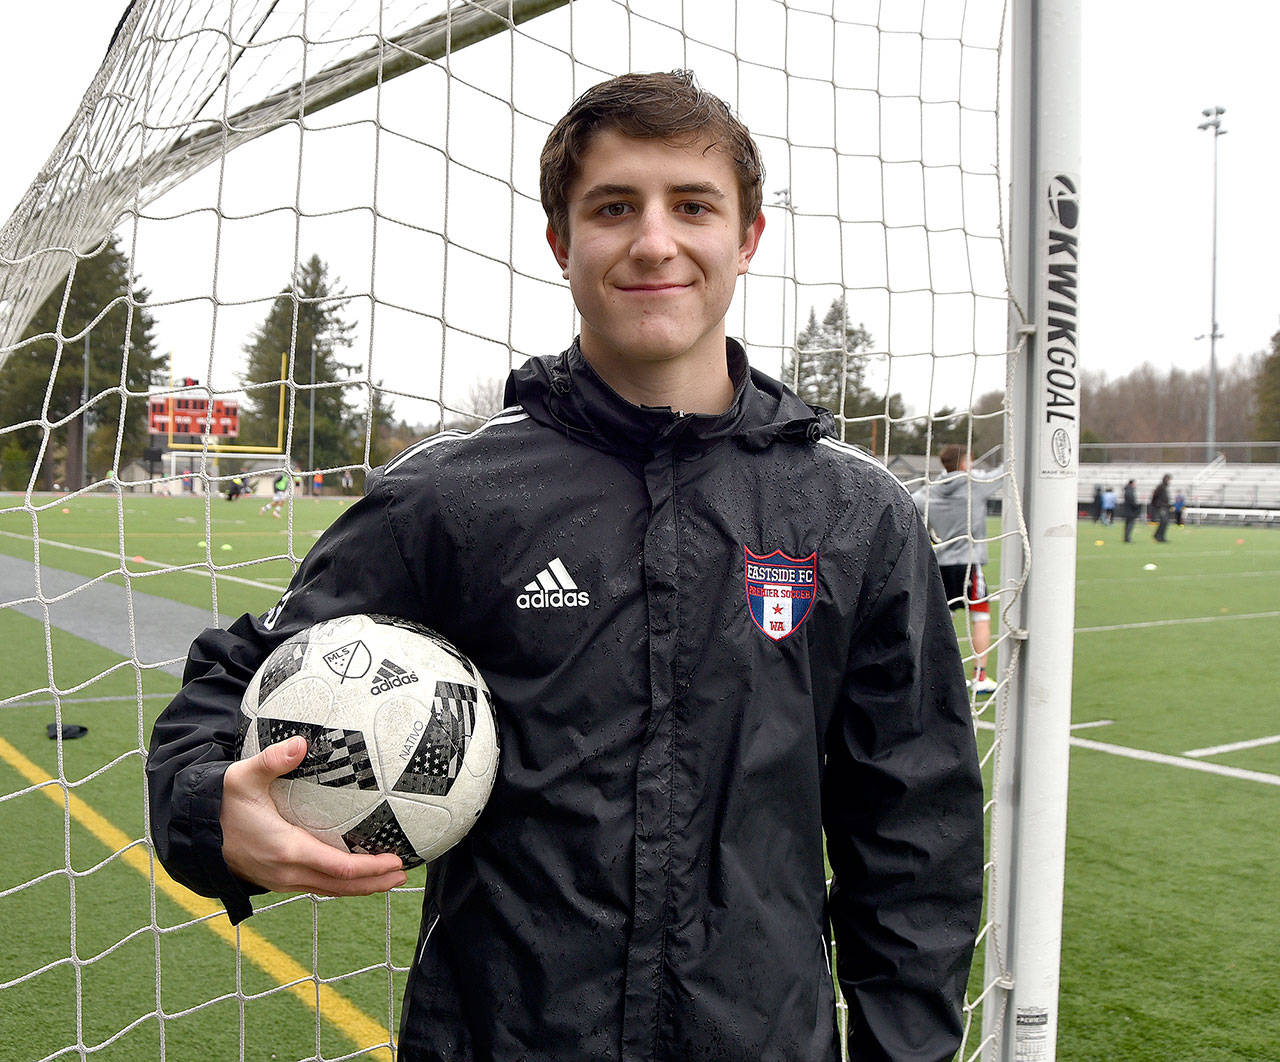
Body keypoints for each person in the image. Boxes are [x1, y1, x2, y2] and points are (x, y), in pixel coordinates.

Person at [147, 71, 982, 1062]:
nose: (654, 240)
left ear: (746, 237)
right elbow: (234, 686)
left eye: (692, 206)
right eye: (614, 208)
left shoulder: (855, 512)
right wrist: (208, 806)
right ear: (561, 242)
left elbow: (912, 836)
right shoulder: (451, 495)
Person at [912, 444, 1004, 696]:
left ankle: (939, 675)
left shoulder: (929, 491)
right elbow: (1005, 470)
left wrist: (932, 534)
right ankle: (980, 676)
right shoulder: (974, 485)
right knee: (981, 616)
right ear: (964, 463)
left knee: (942, 621)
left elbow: (912, 504)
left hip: (940, 564)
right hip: (968, 562)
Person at [1151, 473, 1172, 542]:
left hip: (1164, 507)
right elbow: (1154, 496)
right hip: (1161, 507)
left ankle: (1159, 536)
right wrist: (1156, 505)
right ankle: (1159, 536)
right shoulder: (1160, 487)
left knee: (1164, 522)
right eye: (1169, 479)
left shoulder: (1164, 487)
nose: (1169, 481)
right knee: (1164, 521)